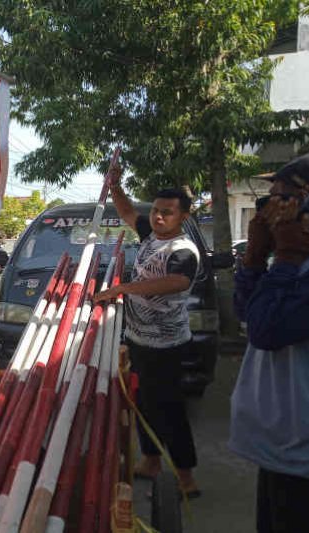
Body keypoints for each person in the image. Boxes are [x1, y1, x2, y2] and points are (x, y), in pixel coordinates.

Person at [230, 149, 309, 533]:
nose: (265, 212)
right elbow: (248, 314)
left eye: (275, 201)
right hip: (285, 448)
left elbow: (267, 330)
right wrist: (254, 258)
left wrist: (285, 256)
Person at [95, 167, 201, 496]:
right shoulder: (151, 235)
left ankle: (186, 477)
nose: (157, 217)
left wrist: (125, 287)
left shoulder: (183, 250)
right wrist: (115, 185)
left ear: (183, 216)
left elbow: (177, 282)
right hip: (139, 338)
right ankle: (151, 460)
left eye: (167, 213)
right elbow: (127, 211)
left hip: (167, 344)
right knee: (141, 401)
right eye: (155, 210)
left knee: (169, 407)